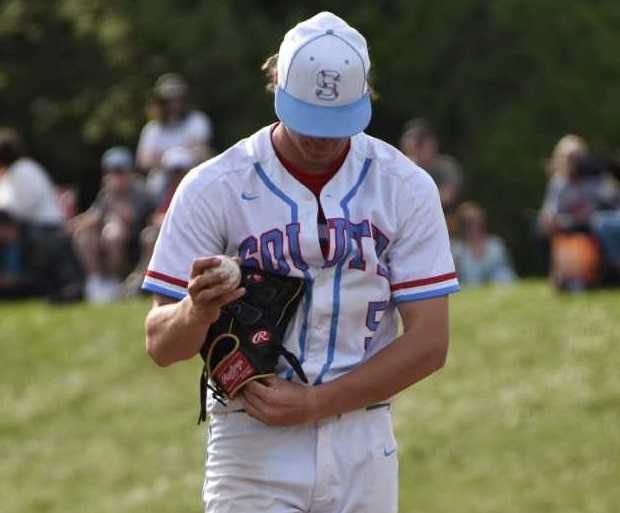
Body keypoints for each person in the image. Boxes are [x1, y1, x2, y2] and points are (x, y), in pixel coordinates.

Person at [143, 12, 458, 513]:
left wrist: (317, 403)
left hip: (363, 434)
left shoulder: (404, 186)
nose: (319, 138)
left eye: (334, 124)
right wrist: (195, 311)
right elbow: (161, 344)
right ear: (275, 85)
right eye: (307, 118)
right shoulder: (213, 186)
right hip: (251, 434)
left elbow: (431, 342)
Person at [0, 128, 82, 301]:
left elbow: (19, 208)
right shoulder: (15, 172)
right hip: (34, 226)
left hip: (45, 228)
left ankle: (12, 279)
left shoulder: (24, 170)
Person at [70, 147, 152, 302]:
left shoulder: (140, 191)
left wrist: (113, 197)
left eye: (120, 171)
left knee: (113, 233)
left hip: (133, 241)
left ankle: (116, 282)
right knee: (83, 236)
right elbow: (94, 216)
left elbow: (130, 217)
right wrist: (73, 225)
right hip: (106, 237)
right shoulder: (106, 193)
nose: (115, 175)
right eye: (111, 171)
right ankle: (96, 282)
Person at [123, 146, 194, 296]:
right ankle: (144, 278)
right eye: (173, 171)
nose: (177, 175)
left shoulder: (195, 188)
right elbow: (154, 216)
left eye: (180, 170)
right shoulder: (161, 189)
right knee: (148, 236)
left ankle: (144, 281)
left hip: (190, 233)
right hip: (166, 232)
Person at [136, 73, 214, 203]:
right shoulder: (152, 129)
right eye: (168, 100)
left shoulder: (197, 121)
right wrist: (166, 160)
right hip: (161, 182)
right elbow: (143, 161)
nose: (174, 105)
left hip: (191, 176)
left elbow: (204, 153)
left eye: (178, 99)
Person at [399, 118, 464, 219]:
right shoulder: (401, 167)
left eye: (423, 141)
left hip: (444, 219)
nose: (422, 146)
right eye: (418, 142)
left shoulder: (445, 166)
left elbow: (447, 197)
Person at [451, 202, 516, 286]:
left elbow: (507, 273)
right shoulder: (456, 248)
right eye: (468, 222)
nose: (474, 225)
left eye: (477, 220)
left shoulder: (496, 244)